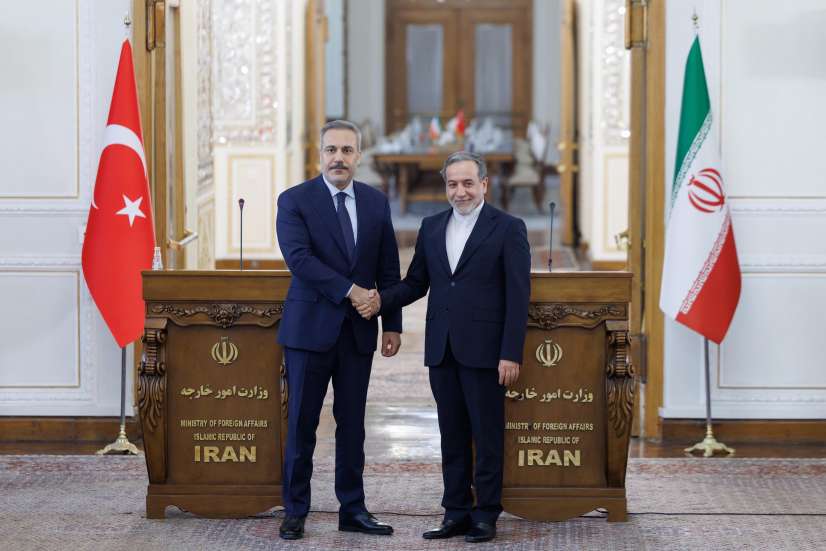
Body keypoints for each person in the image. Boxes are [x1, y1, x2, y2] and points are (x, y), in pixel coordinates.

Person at [357, 151, 531, 543]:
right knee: (451, 434)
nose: (460, 191)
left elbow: (519, 296)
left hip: (487, 351)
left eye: (468, 183)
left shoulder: (508, 228)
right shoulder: (432, 226)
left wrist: (510, 352)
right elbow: (415, 283)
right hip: (442, 349)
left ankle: (485, 514)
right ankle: (455, 512)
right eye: (452, 184)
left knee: (486, 435)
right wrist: (379, 301)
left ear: (484, 184)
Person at [275, 119, 402, 540]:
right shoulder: (294, 201)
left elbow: (387, 266)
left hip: (357, 332)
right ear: (320, 154)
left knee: (353, 425)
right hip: (308, 331)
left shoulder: (376, 202)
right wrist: (352, 291)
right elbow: (300, 260)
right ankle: (295, 510)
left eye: (347, 150)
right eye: (331, 150)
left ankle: (353, 509)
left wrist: (392, 323)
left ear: (359, 156)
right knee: (302, 423)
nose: (339, 158)